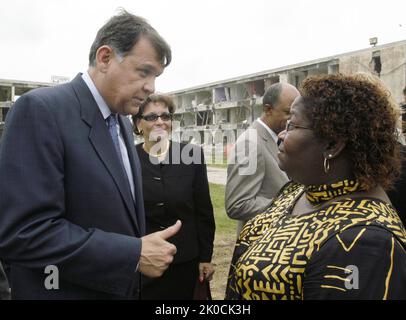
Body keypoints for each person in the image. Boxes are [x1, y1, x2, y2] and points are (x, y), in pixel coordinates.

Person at [0, 10, 181, 299]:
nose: (151, 87)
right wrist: (132, 254)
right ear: (105, 58)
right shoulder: (41, 110)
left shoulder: (121, 121)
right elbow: (25, 233)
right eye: (144, 71)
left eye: (156, 77)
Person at [226, 73, 406, 300]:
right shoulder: (296, 191)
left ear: (332, 144)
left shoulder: (365, 242)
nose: (282, 134)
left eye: (292, 125)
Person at [133, 94, 215, 299]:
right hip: (145, 263)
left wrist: (206, 257)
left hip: (186, 262)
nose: (160, 121)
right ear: (138, 123)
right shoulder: (127, 158)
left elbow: (203, 210)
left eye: (165, 116)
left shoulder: (192, 154)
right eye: (151, 117)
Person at [225, 83, 299, 235]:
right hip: (260, 244)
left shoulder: (281, 137)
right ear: (267, 109)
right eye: (287, 112)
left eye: (296, 113)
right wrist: (292, 204)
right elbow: (237, 204)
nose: (292, 120)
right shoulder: (249, 143)